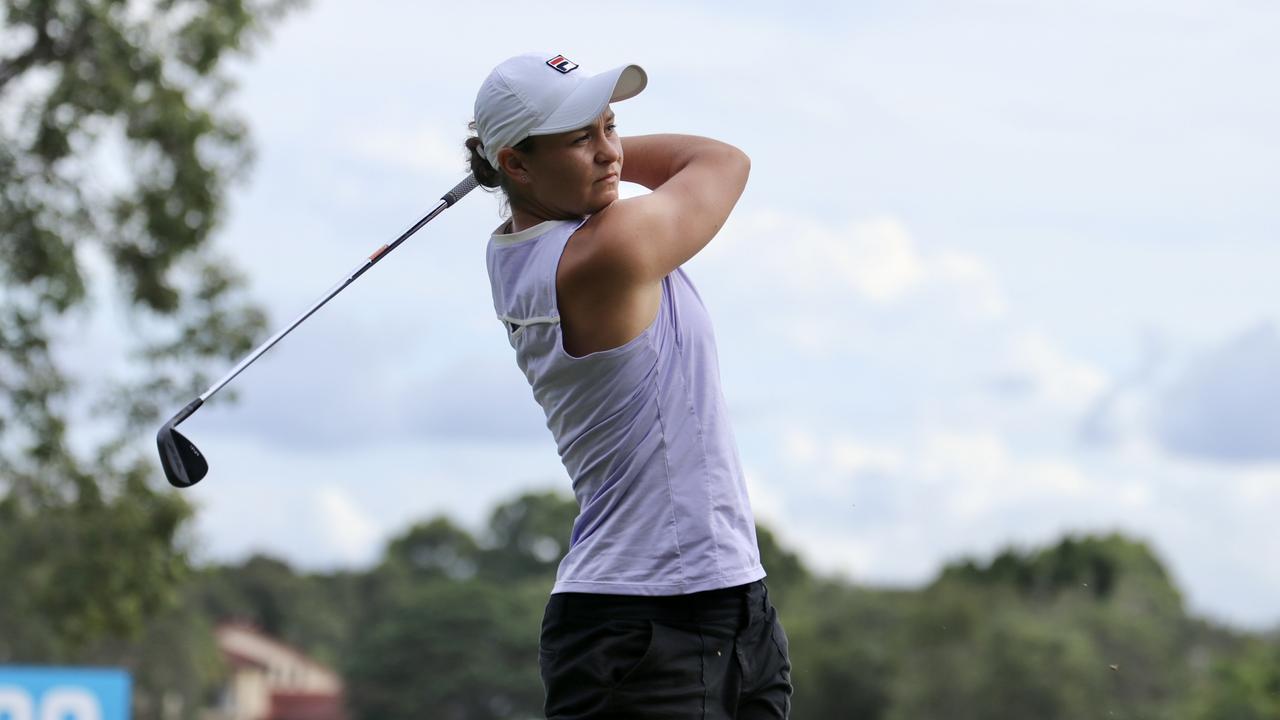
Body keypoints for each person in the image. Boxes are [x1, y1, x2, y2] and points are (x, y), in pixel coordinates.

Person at [466, 52, 792, 720]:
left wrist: (562, 146)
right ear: (517, 164)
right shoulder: (607, 249)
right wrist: (530, 155)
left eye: (611, 127)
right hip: (643, 630)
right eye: (581, 138)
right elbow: (722, 161)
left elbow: (676, 165)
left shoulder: (525, 243)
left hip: (730, 602)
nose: (609, 153)